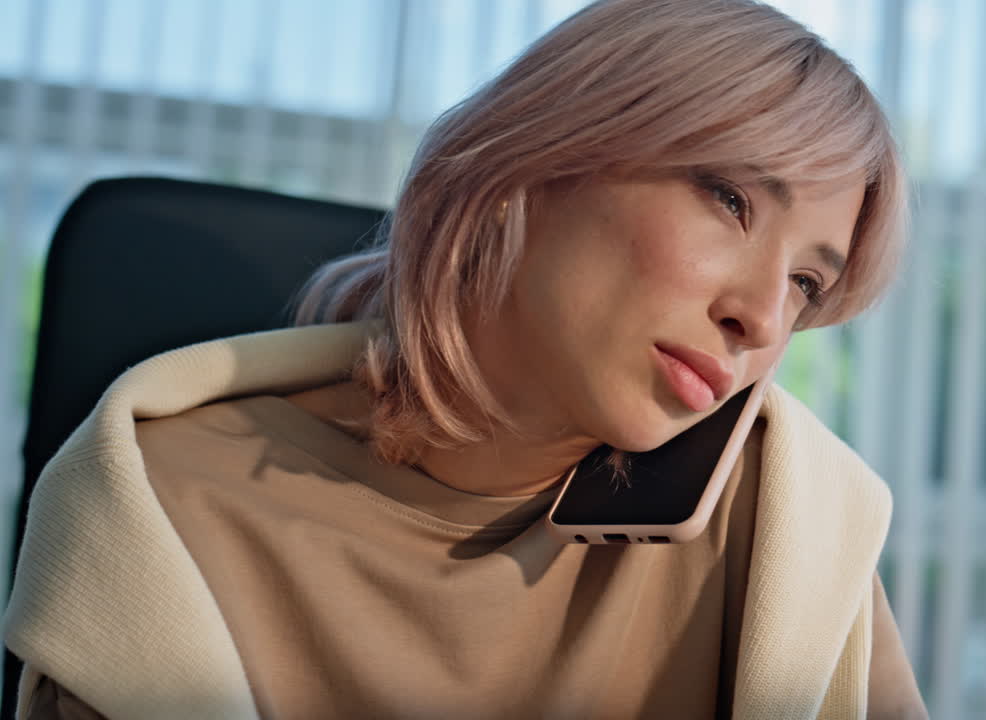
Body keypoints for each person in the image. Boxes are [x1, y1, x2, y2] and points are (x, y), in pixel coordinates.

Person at [2, 0, 928, 717]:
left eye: (808, 283)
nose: (761, 318)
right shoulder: (161, 502)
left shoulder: (787, 519)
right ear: (536, 159)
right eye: (729, 199)